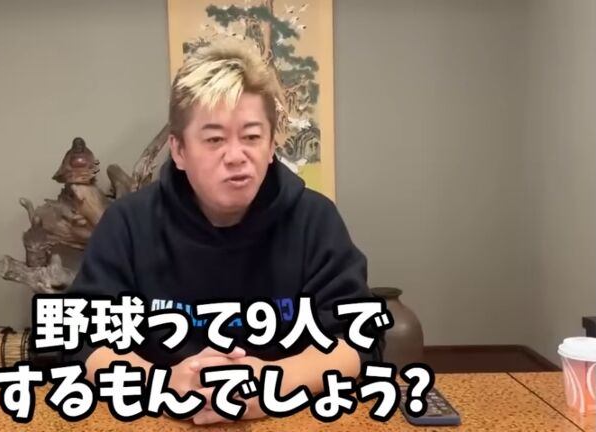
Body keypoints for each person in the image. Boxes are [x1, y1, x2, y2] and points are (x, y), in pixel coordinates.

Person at [64, 37, 383, 424]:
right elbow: (82, 338)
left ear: (271, 145)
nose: (236, 156)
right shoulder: (128, 223)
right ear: (179, 150)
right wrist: (162, 384)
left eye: (252, 137)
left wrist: (276, 382)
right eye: (214, 139)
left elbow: (358, 339)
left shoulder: (314, 220)